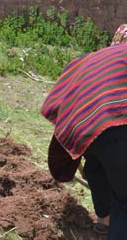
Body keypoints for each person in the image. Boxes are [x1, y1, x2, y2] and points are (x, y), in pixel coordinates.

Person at [41, 27, 127, 239]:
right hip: (116, 123)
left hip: (85, 124)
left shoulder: (92, 58)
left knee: (97, 167)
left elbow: (64, 90)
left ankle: (104, 221)